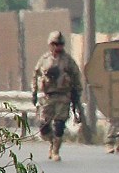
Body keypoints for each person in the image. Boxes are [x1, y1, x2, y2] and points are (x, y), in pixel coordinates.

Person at [32, 31, 83, 161]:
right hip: (47, 96)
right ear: (50, 44)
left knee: (59, 124)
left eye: (60, 44)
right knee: (43, 127)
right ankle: (52, 141)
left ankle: (55, 151)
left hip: (63, 95)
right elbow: (36, 75)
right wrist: (34, 92)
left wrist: (77, 93)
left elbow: (76, 76)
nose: (57, 47)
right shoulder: (44, 60)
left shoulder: (68, 60)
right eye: (55, 44)